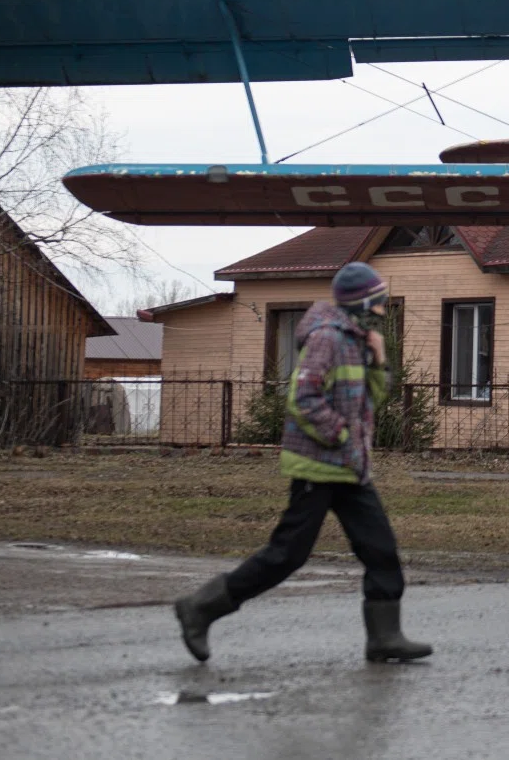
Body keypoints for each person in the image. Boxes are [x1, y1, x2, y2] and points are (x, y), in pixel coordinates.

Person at [173, 261, 432, 664]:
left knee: (380, 548)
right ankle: (200, 607)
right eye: (378, 303)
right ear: (361, 304)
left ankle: (385, 638)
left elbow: (369, 403)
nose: (383, 312)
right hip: (319, 466)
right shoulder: (328, 338)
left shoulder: (358, 340)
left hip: (350, 469)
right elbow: (304, 399)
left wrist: (379, 362)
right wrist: (341, 437)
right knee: (287, 555)